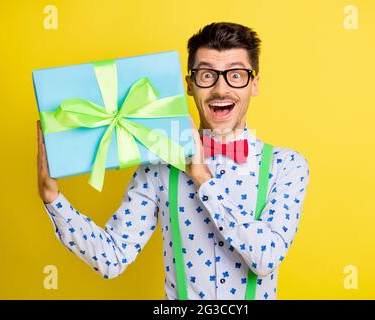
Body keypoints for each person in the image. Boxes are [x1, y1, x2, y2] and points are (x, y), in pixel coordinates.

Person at [37, 22, 310, 300]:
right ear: (189, 85)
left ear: (254, 84)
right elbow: (113, 258)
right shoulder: (158, 166)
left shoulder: (286, 166)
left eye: (236, 75)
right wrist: (53, 198)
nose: (220, 88)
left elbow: (266, 258)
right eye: (206, 75)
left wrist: (203, 177)